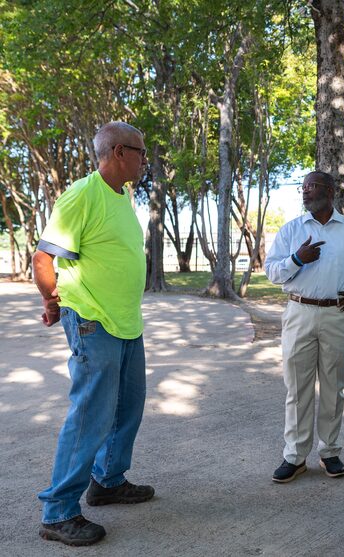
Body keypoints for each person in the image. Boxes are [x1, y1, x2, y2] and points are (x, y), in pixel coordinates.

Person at [33, 122, 154, 547]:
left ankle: (107, 482)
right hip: (93, 321)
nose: (145, 159)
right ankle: (59, 511)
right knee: (91, 416)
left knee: (128, 408)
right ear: (119, 152)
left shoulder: (124, 194)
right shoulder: (82, 194)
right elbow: (44, 257)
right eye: (140, 151)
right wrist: (53, 302)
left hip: (126, 322)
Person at [264, 171, 344, 483]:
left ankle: (330, 451)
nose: (305, 193)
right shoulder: (292, 230)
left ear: (330, 192)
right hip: (299, 312)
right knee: (297, 388)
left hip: (337, 314)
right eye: (303, 188)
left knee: (334, 386)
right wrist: (297, 258)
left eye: (312, 187)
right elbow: (272, 272)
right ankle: (294, 456)